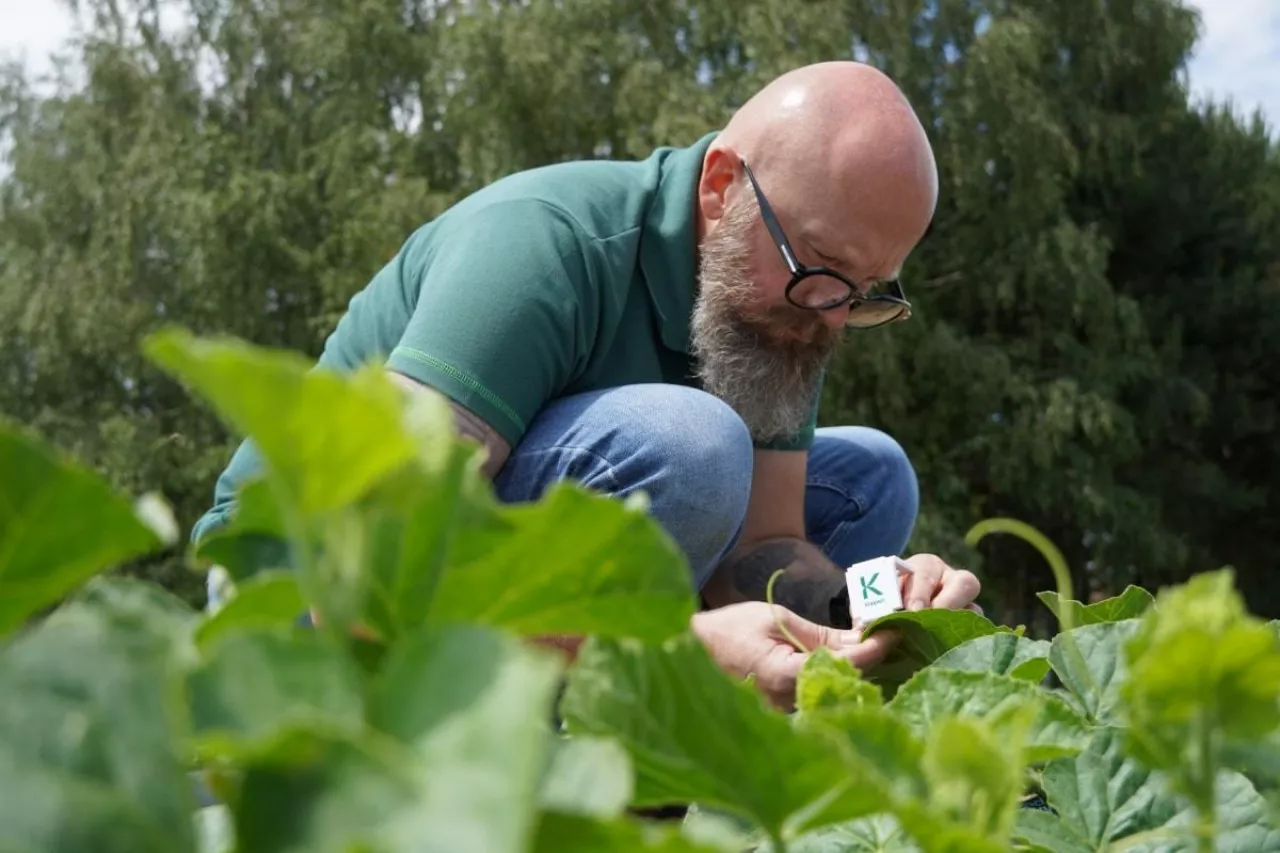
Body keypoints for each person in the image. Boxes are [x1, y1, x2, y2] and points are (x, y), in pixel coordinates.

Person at [192, 60, 981, 710]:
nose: (835, 317)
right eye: (821, 266)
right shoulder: (540, 247)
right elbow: (361, 576)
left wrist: (880, 604)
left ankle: (630, 740)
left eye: (867, 289)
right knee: (696, 448)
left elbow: (761, 548)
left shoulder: (789, 310)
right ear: (720, 187)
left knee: (872, 476)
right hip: (291, 583)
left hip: (491, 559)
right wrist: (670, 654)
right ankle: (562, 735)